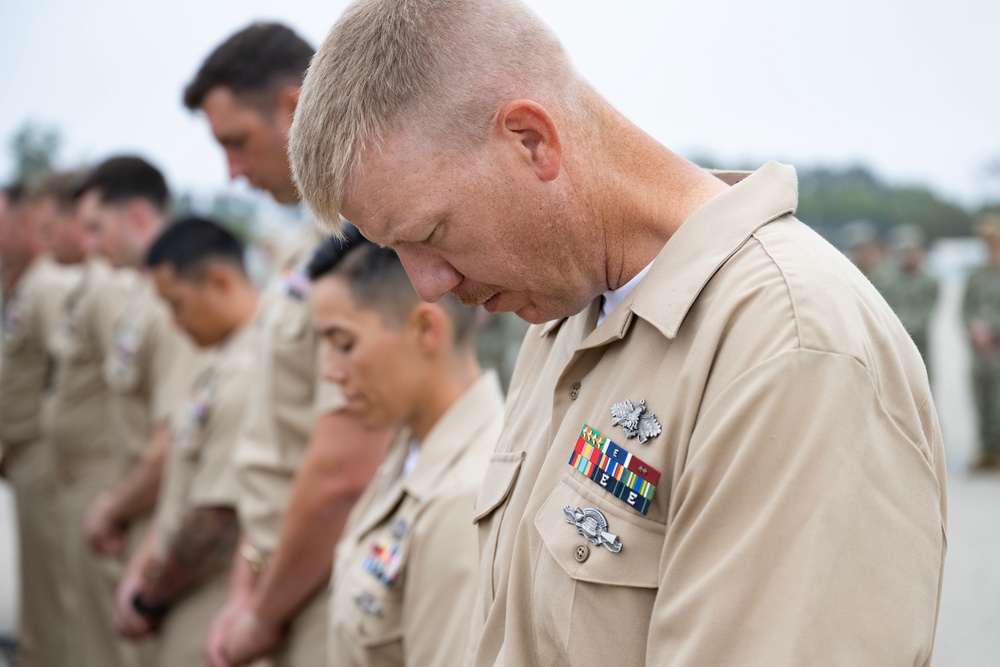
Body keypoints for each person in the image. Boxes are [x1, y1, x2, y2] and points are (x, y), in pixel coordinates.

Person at [289, 1, 948, 664]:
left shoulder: (787, 343)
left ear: (530, 141)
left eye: (430, 234)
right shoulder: (562, 317)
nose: (426, 284)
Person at [181, 22, 392, 667]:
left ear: (294, 109)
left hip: (332, 592)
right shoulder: (309, 245)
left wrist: (259, 612)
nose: (233, 172)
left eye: (237, 143)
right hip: (285, 585)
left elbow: (346, 469)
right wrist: (252, 586)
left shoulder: (374, 237)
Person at [310, 239, 503, 666]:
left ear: (425, 330)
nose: (330, 370)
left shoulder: (463, 497)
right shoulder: (410, 450)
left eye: (343, 343)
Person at [116, 216, 258, 666]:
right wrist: (142, 569)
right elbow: (184, 486)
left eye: (177, 304)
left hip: (205, 600)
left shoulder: (249, 369)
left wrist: (149, 598)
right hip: (183, 594)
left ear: (219, 282)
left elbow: (216, 515)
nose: (175, 323)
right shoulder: (222, 357)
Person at [45, 171, 137, 667]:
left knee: (104, 636)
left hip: (101, 478)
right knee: (80, 624)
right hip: (75, 477)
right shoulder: (87, 286)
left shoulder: (108, 289)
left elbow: (124, 387)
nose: (88, 240)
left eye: (95, 226)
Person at [0, 178, 81, 667]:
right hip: (26, 456)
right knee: (38, 600)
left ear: (25, 222)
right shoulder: (23, 284)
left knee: (53, 607)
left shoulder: (48, 285)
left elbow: (66, 371)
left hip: (48, 457)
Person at [962, 215, 1000, 470]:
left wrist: (993, 331)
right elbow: (965, 308)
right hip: (979, 350)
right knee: (980, 398)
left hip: (997, 347)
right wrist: (973, 328)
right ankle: (985, 450)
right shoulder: (976, 275)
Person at [881, 223, 939, 372]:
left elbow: (926, 312)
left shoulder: (928, 281)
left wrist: (906, 325)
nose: (907, 256)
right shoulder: (888, 279)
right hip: (893, 346)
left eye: (911, 251)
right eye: (903, 252)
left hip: (919, 344)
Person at [841, 218, 892, 292]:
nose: (860, 254)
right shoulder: (851, 272)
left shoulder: (885, 273)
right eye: (855, 249)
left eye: (862, 248)